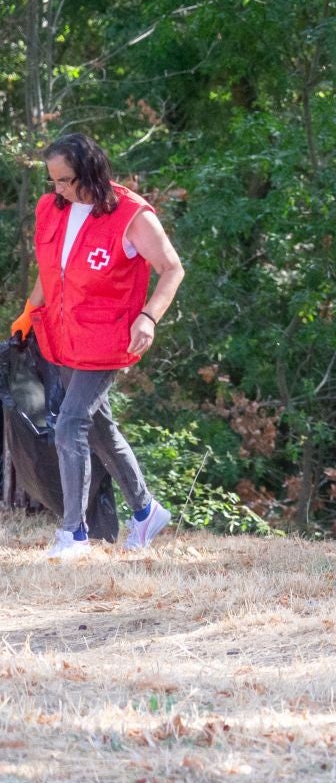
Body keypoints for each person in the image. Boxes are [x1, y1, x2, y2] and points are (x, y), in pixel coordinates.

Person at [12, 133, 185, 560]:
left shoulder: (131, 215)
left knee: (70, 423)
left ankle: (73, 534)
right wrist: (27, 313)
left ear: (91, 172)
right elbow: (51, 272)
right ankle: (146, 511)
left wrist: (149, 317)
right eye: (52, 180)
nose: (58, 189)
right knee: (100, 428)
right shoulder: (51, 208)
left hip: (106, 338)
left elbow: (172, 268)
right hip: (62, 336)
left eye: (66, 180)